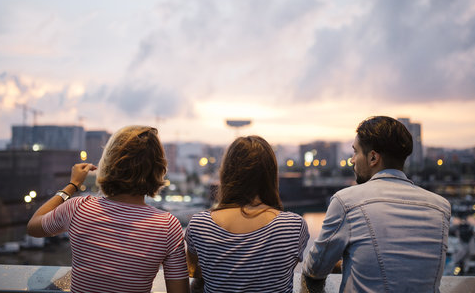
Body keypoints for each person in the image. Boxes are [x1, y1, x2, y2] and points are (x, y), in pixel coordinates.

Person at [27, 125, 189, 293]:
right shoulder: (168, 226)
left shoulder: (78, 208)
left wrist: (72, 185)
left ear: (108, 162)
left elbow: (33, 227)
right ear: (158, 169)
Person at [303, 116, 451, 292]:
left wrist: (343, 263)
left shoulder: (346, 202)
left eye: (355, 152)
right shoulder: (441, 207)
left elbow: (314, 269)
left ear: (373, 157)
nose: (352, 160)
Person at [185, 135, 309, 293]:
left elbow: (194, 270)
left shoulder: (200, 224)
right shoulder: (293, 226)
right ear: (270, 175)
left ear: (227, 173)